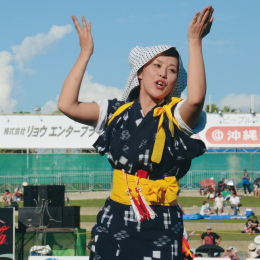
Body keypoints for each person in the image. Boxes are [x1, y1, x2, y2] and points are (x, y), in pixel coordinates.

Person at [58, 5, 214, 259]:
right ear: (140, 72)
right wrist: (86, 52)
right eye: (157, 65)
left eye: (172, 70)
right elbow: (67, 105)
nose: (164, 72)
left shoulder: (175, 115)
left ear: (176, 81)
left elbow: (195, 100)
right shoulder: (116, 111)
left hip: (161, 221)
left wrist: (194, 41)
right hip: (117, 216)